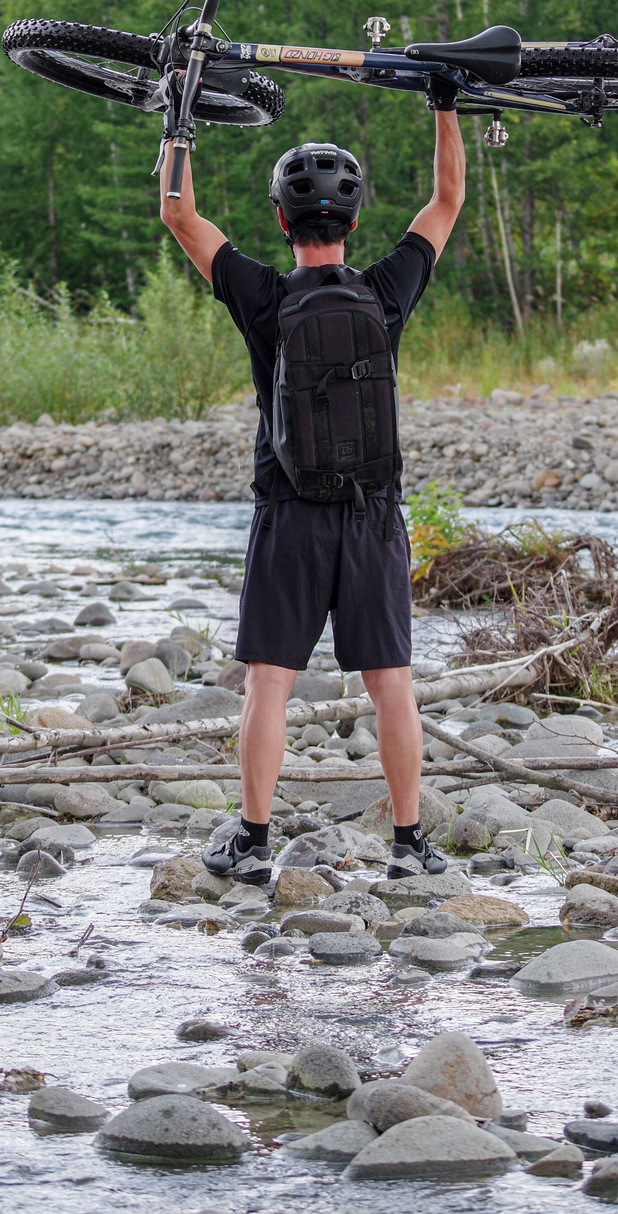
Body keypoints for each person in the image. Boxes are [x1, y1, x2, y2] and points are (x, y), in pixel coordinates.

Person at [159, 99, 466, 887]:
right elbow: (448, 199)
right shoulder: (387, 290)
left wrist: (179, 117)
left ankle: (254, 841)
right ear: (355, 221)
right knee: (390, 682)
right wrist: (445, 103)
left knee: (270, 680)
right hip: (371, 516)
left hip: (289, 513)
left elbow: (177, 212)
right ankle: (408, 844)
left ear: (279, 218)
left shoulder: (262, 296)